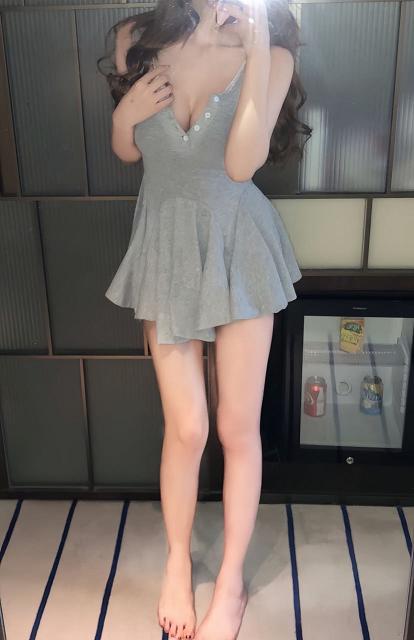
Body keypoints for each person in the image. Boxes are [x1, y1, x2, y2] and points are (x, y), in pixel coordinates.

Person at [98, 1, 311, 638]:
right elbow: (130, 152)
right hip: (166, 245)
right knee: (187, 428)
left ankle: (231, 582)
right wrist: (123, 117)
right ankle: (176, 564)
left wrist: (256, 48)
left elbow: (242, 166)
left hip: (240, 246)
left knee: (237, 426)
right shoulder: (136, 37)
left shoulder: (273, 52)